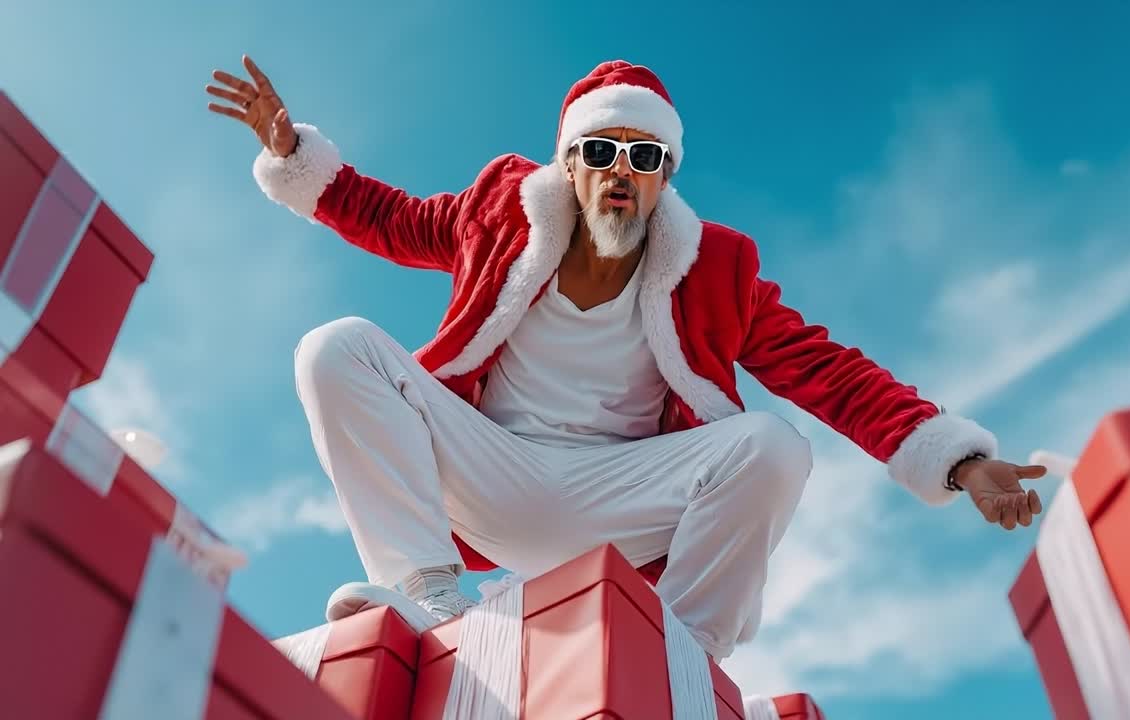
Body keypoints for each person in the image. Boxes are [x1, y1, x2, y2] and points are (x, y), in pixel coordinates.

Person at [207, 56, 1045, 662]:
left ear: (664, 177)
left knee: (773, 445)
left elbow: (829, 373)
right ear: (568, 164)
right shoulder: (497, 214)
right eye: (601, 151)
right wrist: (292, 158)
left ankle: (680, 650)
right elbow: (391, 219)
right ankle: (428, 598)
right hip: (489, 470)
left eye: (644, 158)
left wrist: (959, 460)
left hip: (624, 494)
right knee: (336, 347)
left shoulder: (716, 270)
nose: (620, 172)